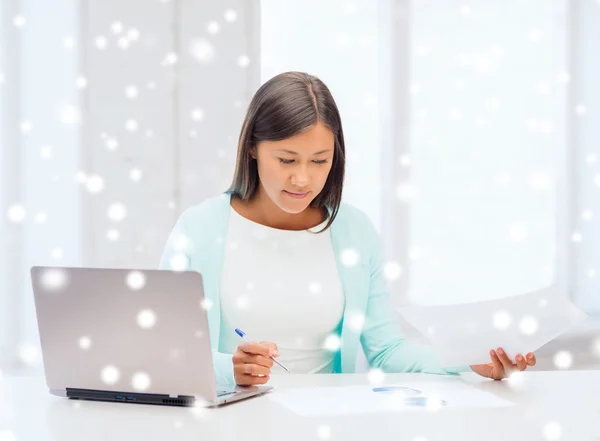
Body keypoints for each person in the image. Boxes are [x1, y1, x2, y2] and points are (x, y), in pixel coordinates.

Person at [159, 71, 536, 386]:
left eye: (319, 161)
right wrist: (230, 369)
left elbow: (388, 350)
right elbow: (164, 352)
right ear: (253, 148)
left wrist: (469, 362)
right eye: (286, 159)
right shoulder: (199, 229)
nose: (302, 178)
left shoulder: (353, 231)